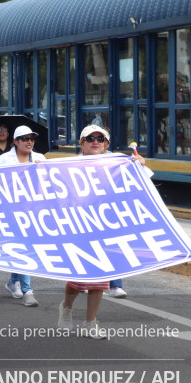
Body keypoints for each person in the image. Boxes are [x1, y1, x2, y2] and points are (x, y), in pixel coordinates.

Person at [57, 125, 151, 336]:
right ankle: (67, 309)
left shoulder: (118, 162)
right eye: (90, 138)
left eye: (100, 139)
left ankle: (90, 322)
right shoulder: (66, 164)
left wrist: (141, 166)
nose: (95, 142)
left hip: (104, 228)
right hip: (76, 227)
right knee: (76, 278)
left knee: (100, 278)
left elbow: (143, 183)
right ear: (81, 143)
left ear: (107, 144)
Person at [0, 125, 45, 307]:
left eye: (32, 138)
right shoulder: (3, 159)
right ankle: (27, 290)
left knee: (26, 246)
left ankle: (12, 281)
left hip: (33, 211)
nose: (29, 141)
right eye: (24, 138)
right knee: (24, 247)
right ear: (15, 141)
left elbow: (48, 185)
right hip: (11, 212)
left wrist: (42, 172)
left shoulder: (40, 158)